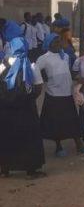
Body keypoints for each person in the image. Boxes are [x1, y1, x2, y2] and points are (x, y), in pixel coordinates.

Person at [0, 38, 46, 178]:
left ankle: (5, 168)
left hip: (6, 108)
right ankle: (30, 170)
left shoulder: (2, 64)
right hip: (26, 109)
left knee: (6, 136)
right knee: (29, 138)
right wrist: (28, 100)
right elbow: (38, 88)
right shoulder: (31, 65)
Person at [36, 34, 84, 156]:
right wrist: (39, 83)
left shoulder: (65, 56)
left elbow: (68, 72)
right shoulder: (44, 58)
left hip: (67, 93)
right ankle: (58, 147)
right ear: (48, 44)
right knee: (55, 122)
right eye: (55, 42)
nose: (58, 44)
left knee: (72, 120)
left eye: (59, 41)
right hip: (54, 95)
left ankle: (79, 145)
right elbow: (35, 70)